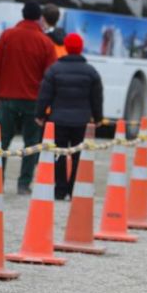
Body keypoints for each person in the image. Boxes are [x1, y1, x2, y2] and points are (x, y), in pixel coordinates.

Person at [0, 1, 57, 194]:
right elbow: (50, 77)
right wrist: (47, 103)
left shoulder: (7, 36)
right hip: (33, 102)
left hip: (8, 99)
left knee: (0, 142)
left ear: (23, 14)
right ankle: (24, 184)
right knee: (32, 143)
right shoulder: (45, 43)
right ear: (38, 18)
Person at [35, 33, 103, 201]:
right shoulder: (91, 72)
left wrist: (40, 114)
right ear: (80, 48)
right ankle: (73, 190)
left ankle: (59, 189)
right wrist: (98, 117)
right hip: (81, 121)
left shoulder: (54, 70)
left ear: (65, 47)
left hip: (58, 120)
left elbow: (45, 95)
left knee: (59, 154)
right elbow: (96, 97)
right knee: (78, 155)